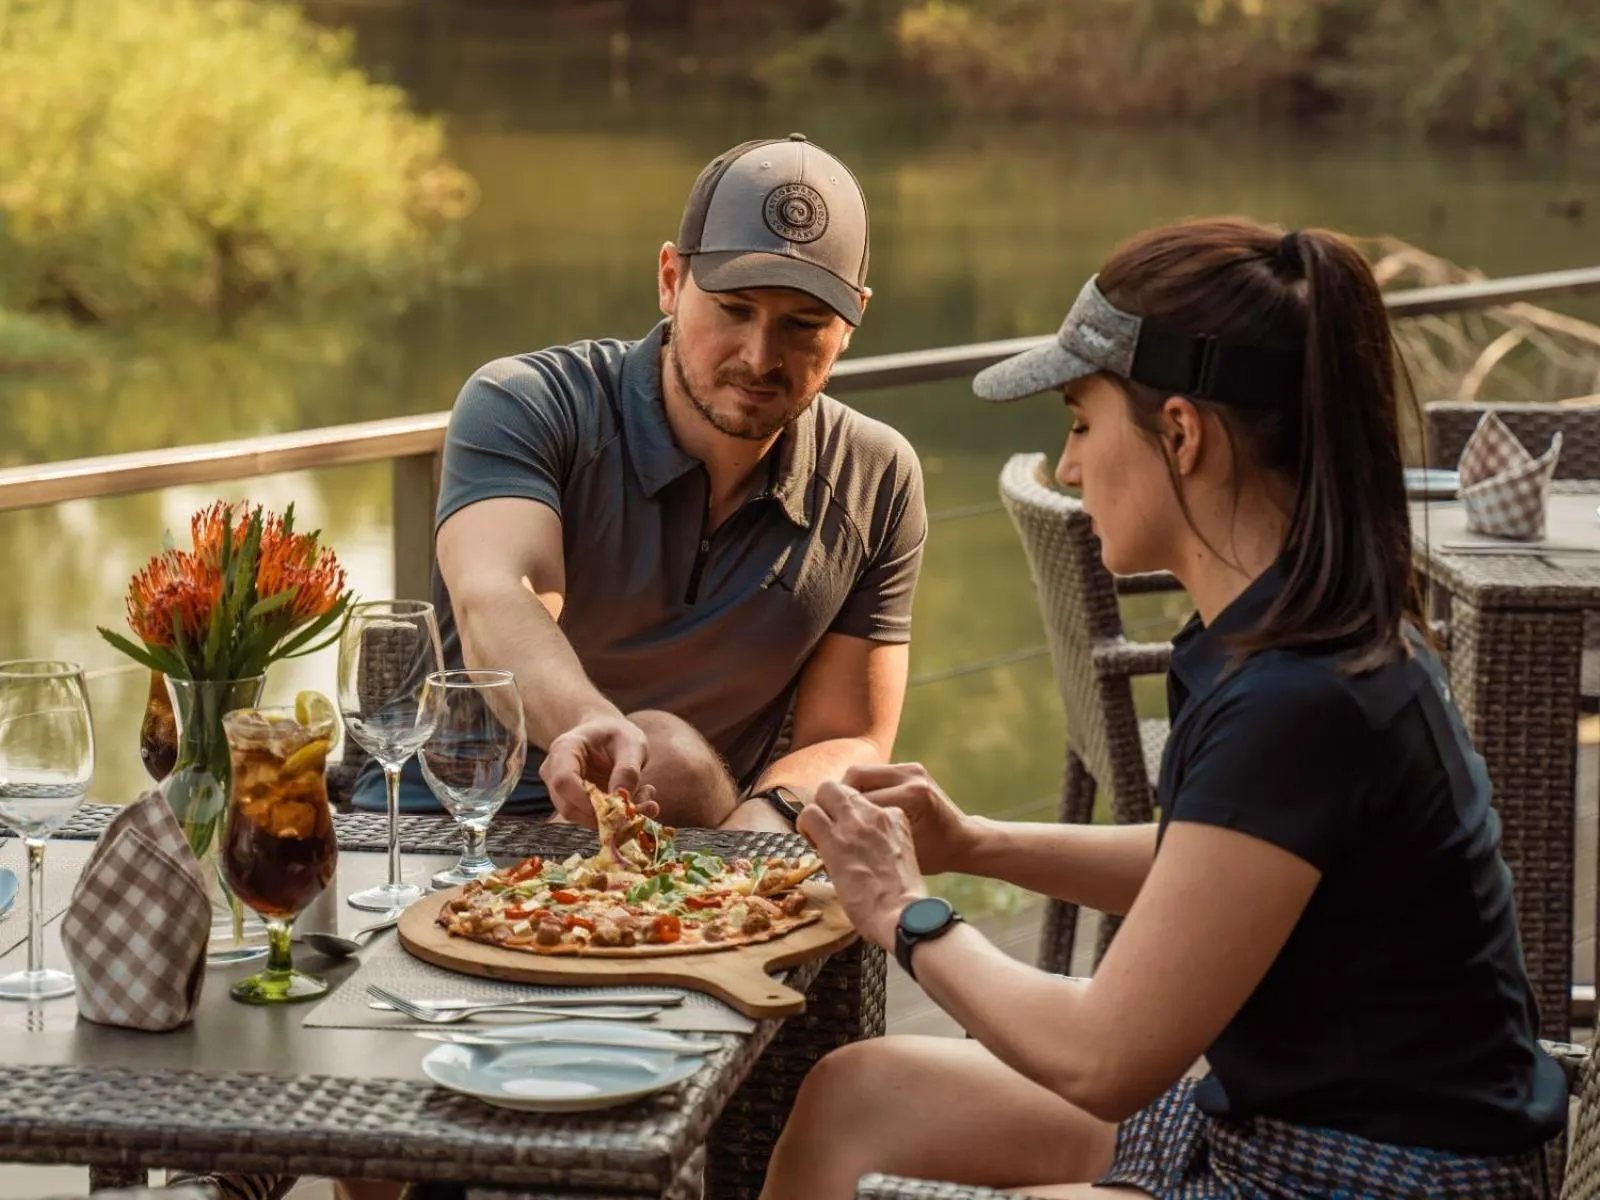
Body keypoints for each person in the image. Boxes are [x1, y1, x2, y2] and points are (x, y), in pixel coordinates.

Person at [762, 217, 1567, 1199]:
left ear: (1180, 433)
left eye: (1079, 422)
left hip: (1379, 1174)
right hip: (1275, 1122)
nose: (1067, 468)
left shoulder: (1304, 695)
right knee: (857, 1096)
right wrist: (972, 842)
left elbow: (1106, 1061)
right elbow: (1215, 865)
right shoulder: (1267, 638)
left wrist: (904, 911)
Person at [350, 133, 926, 834]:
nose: (760, 356)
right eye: (735, 308)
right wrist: (595, 726)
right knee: (666, 753)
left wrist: (765, 823)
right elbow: (497, 598)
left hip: (696, 839)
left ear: (851, 323)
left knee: (678, 762)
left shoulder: (877, 476)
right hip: (453, 833)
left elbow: (851, 739)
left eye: (804, 325)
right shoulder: (526, 401)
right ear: (670, 279)